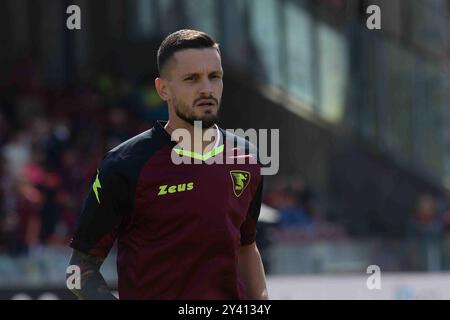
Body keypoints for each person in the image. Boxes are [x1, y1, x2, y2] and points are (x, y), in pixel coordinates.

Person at [67, 29, 268, 300]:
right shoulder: (125, 165)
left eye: (214, 77)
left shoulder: (248, 157)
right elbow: (80, 270)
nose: (207, 89)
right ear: (163, 89)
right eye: (191, 79)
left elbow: (247, 245)